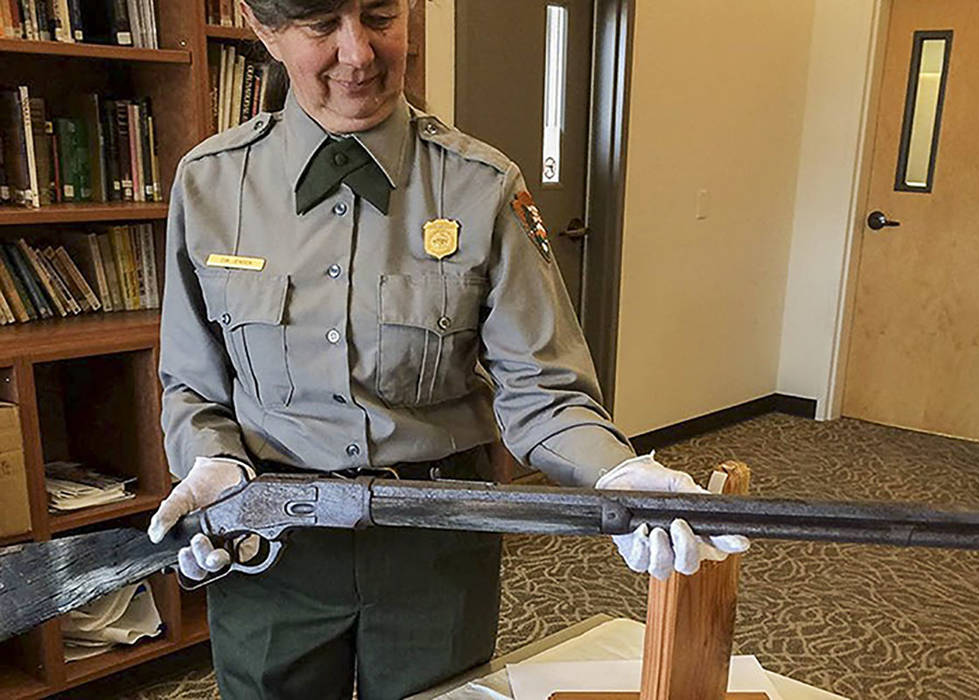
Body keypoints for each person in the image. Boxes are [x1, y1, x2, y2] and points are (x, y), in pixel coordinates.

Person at [147, 1, 747, 697]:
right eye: (320, 28)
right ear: (262, 28)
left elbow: (542, 389)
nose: (360, 53)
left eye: (379, 15)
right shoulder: (211, 183)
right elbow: (192, 385)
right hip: (272, 546)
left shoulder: (481, 186)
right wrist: (212, 460)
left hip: (435, 540)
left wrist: (618, 474)